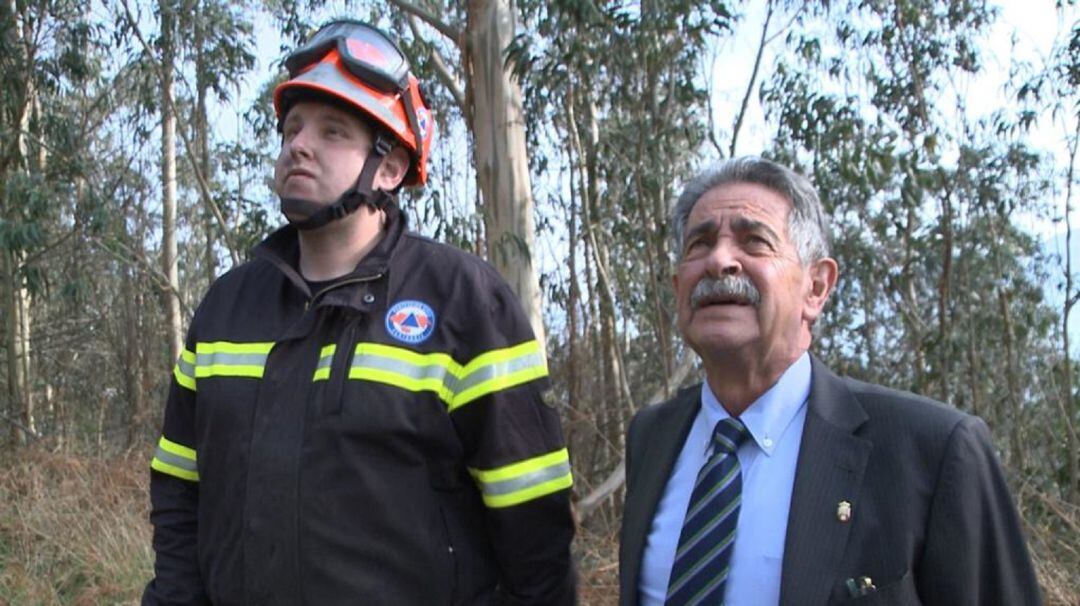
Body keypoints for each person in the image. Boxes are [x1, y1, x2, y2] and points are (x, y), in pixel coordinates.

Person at [143, 19, 575, 606]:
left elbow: (536, 538)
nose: (298, 144)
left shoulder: (465, 302)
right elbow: (179, 495)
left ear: (391, 168)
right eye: (292, 128)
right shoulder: (227, 308)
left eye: (333, 131)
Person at [619, 157, 1041, 605]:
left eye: (754, 241)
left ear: (816, 287)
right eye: (699, 245)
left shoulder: (932, 449)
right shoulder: (653, 436)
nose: (720, 260)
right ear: (677, 284)